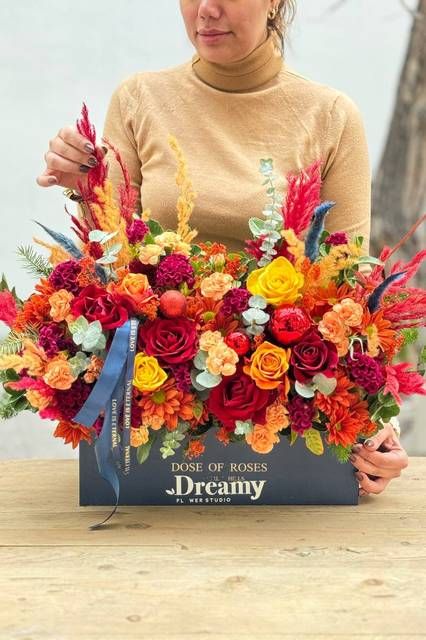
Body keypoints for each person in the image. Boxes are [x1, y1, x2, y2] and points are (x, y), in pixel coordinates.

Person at [36, 0, 408, 496]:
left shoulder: (331, 116)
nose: (206, 10)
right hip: (160, 434)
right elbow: (108, 263)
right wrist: (84, 186)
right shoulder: (139, 99)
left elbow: (352, 295)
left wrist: (379, 428)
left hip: (281, 442)